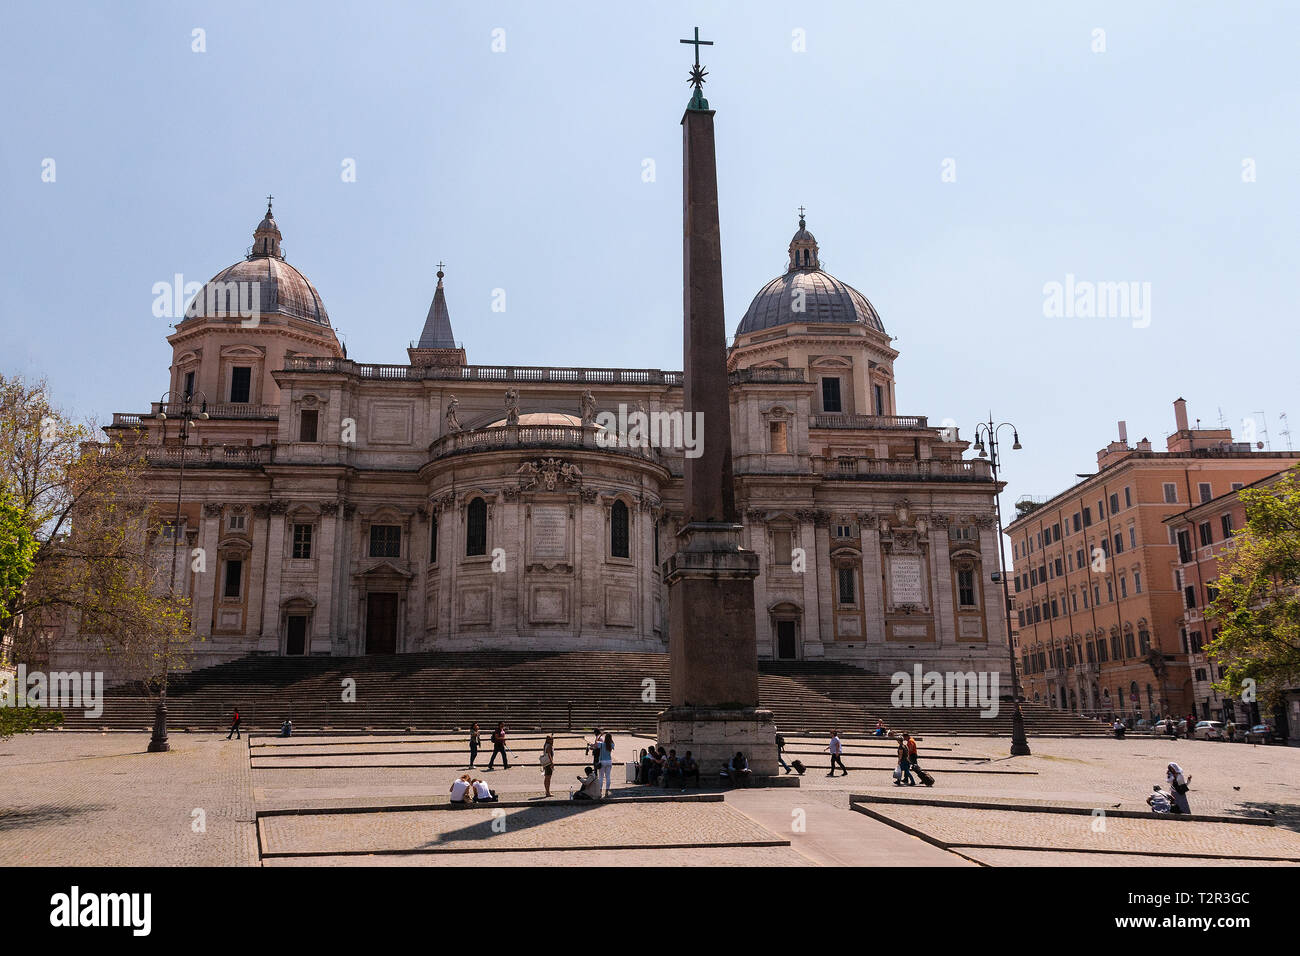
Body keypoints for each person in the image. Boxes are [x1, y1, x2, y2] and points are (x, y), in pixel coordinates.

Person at [596, 732, 615, 798]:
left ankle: (600, 791)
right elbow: (613, 743)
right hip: (609, 761)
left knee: (601, 777)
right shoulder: (611, 744)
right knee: (608, 777)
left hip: (602, 761)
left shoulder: (602, 744)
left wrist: (600, 734)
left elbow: (596, 742)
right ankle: (606, 791)